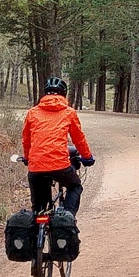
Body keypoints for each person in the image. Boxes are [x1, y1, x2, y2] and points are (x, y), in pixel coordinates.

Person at [22, 76, 95, 215]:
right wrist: (87, 157)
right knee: (75, 187)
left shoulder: (32, 113)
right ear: (64, 94)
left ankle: (37, 232)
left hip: (36, 167)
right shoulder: (69, 113)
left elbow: (26, 140)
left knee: (38, 209)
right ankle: (67, 219)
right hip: (60, 166)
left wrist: (27, 158)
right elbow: (79, 139)